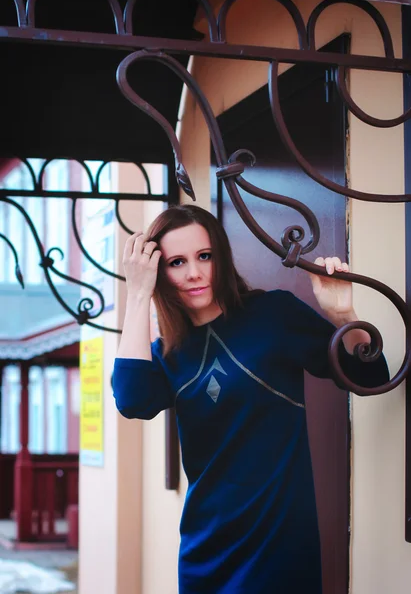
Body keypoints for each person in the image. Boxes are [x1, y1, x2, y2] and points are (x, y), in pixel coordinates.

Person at [112, 204, 389, 594]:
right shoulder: (168, 355)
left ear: (220, 257)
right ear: (160, 272)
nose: (194, 272)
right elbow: (130, 400)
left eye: (204, 256)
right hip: (206, 551)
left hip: (281, 548)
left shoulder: (273, 314)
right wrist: (138, 293)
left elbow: (370, 376)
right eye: (177, 262)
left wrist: (345, 316)